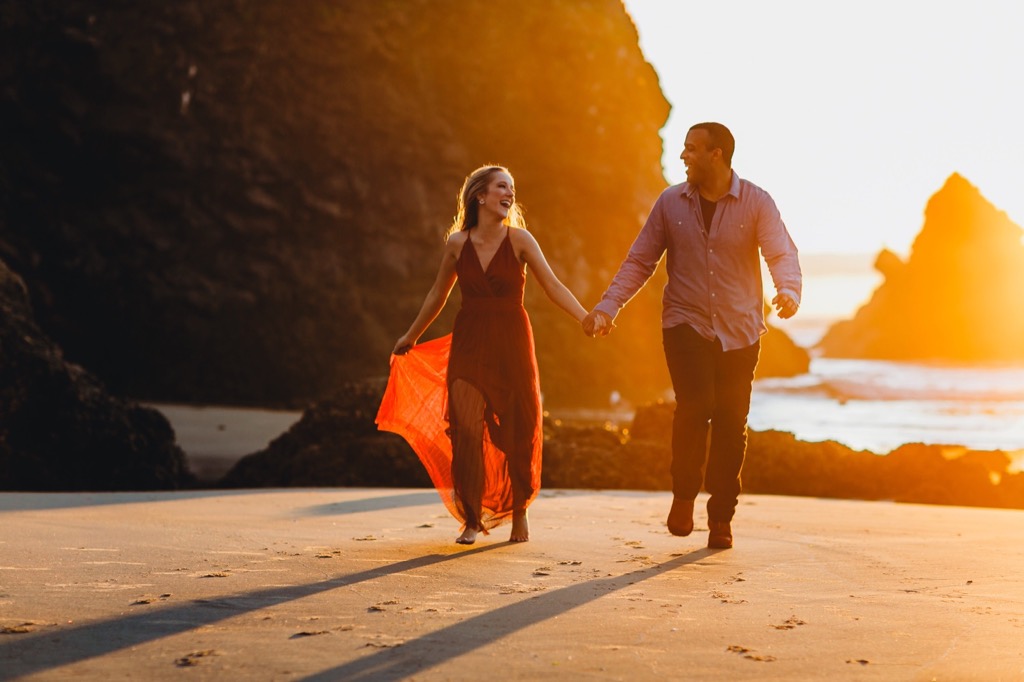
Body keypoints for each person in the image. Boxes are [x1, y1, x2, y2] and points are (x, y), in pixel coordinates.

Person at [584, 122, 801, 549]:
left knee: (731, 422)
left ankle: (721, 517)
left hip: (740, 330)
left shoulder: (756, 202)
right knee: (695, 405)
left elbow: (780, 251)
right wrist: (608, 307)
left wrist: (788, 291)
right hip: (684, 321)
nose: (684, 156)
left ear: (716, 154)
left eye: (692, 149)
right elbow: (639, 261)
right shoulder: (670, 203)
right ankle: (683, 496)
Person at [376, 164, 591, 545]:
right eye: (501, 187)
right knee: (466, 428)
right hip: (470, 339)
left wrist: (585, 317)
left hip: (511, 340)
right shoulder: (457, 244)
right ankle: (472, 518)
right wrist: (410, 336)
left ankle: (519, 510)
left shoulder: (521, 239)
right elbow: (437, 296)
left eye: (512, 187)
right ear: (480, 195)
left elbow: (553, 284)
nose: (509, 193)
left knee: (518, 429)